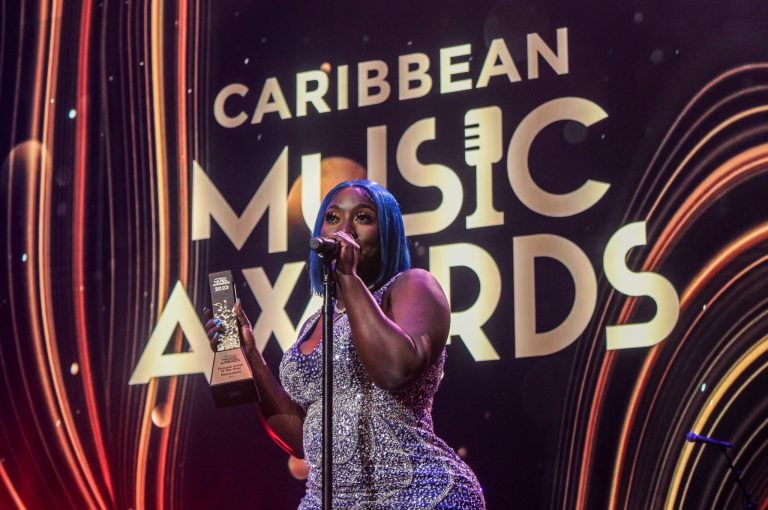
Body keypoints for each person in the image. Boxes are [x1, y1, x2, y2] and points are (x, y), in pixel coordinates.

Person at [205, 179, 485, 509]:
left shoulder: (413, 286)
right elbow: (303, 442)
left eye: (363, 218)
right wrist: (251, 355)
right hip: (329, 500)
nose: (345, 229)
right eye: (333, 218)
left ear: (387, 235)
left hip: (416, 493)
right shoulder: (314, 323)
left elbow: (396, 369)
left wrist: (349, 276)